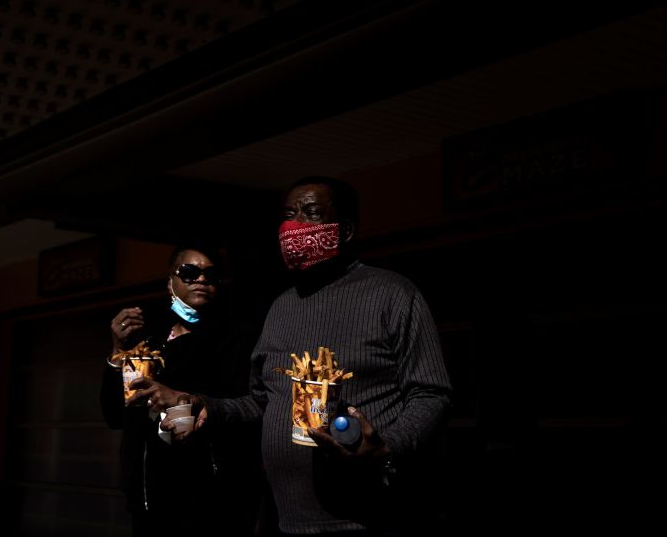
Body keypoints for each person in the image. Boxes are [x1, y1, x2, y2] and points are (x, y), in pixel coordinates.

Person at [141, 177, 452, 535]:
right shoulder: (281, 307)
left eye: (311, 213)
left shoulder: (393, 295)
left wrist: (387, 448)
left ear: (345, 230)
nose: (294, 226)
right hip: (285, 520)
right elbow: (262, 400)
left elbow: (432, 394)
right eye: (289, 214)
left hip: (370, 517)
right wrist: (210, 407)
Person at [99, 244, 261, 536]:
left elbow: (246, 407)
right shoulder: (150, 340)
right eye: (189, 272)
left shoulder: (237, 337)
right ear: (170, 281)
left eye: (210, 274)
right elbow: (114, 414)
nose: (200, 279)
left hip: (209, 499)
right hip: (147, 498)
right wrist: (118, 351)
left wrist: (178, 400)